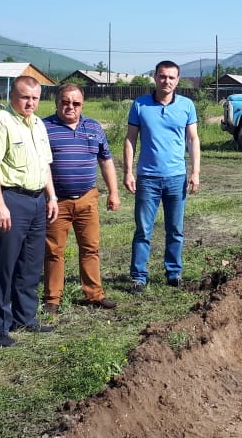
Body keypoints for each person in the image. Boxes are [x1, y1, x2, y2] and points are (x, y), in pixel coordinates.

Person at [0, 75, 58, 347]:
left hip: (37, 201)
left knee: (30, 264)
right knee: (5, 264)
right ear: (13, 95)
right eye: (25, 97)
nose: (30, 103)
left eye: (35, 98)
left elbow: (45, 164)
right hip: (12, 199)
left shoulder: (38, 124)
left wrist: (51, 196)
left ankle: (25, 318)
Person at [42, 84, 121, 315]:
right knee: (54, 251)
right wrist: (49, 197)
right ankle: (53, 299)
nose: (70, 107)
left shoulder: (94, 127)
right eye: (65, 102)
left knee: (90, 248)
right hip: (57, 202)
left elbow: (105, 161)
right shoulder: (44, 127)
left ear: (82, 105)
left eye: (75, 103)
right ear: (57, 102)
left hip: (87, 199)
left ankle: (94, 295)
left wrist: (113, 192)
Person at [123, 60, 201, 293]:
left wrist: (195, 172)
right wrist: (127, 171)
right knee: (143, 229)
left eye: (171, 77)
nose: (166, 81)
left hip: (176, 177)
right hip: (147, 178)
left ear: (177, 80)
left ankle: (173, 273)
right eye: (162, 76)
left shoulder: (187, 106)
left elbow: (193, 139)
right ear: (155, 77)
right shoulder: (140, 105)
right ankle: (139, 276)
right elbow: (130, 139)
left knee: (175, 228)